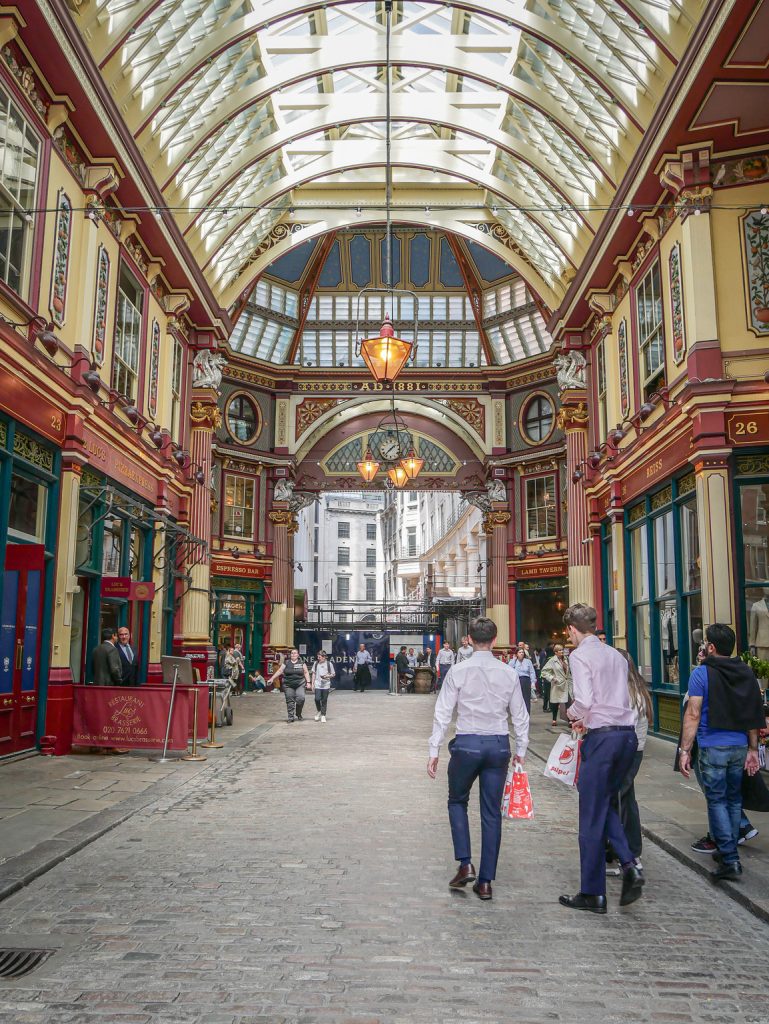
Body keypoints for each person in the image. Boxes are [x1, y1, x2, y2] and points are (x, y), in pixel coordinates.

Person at [427, 616, 529, 901]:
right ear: (494, 640)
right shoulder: (508, 673)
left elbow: (442, 712)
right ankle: (485, 882)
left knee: (457, 801)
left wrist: (434, 750)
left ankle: (465, 862)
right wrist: (521, 751)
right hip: (498, 746)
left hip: (467, 743)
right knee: (491, 812)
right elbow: (520, 716)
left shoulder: (458, 671)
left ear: (469, 640)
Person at [559, 603, 644, 914]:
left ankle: (593, 892)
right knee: (604, 804)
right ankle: (629, 864)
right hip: (626, 736)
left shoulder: (579, 655)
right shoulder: (615, 655)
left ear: (572, 629)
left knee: (590, 816)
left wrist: (572, 714)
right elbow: (616, 698)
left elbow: (584, 699)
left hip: (603, 741)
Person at [678, 623, 763, 882]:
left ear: (712, 647)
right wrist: (752, 748)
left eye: (706, 642)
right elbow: (752, 713)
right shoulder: (746, 671)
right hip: (739, 745)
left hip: (713, 745)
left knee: (716, 800)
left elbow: (693, 714)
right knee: (733, 799)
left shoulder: (701, 673)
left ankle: (729, 857)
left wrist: (685, 749)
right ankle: (728, 849)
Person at [607, 650, 652, 868]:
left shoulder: (627, 693)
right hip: (631, 751)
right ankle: (626, 850)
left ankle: (627, 853)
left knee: (615, 799)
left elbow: (621, 727)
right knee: (626, 798)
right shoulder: (635, 689)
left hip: (625, 752)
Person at [268, 649, 310, 723]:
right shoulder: (286, 662)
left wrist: (308, 682)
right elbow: (280, 671)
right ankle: (291, 717)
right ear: (290, 655)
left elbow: (306, 672)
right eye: (292, 653)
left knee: (301, 699)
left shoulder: (301, 662)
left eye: (295, 653)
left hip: (300, 684)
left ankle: (298, 713)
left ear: (298, 655)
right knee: (290, 700)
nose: (293, 654)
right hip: (288, 685)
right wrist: (272, 678)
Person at [540, 644, 572, 727]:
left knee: (568, 702)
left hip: (567, 684)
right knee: (556, 703)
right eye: (560, 650)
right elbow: (544, 672)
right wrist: (552, 678)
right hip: (558, 684)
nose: (562, 651)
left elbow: (570, 671)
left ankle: (570, 720)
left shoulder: (567, 659)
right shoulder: (552, 661)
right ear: (556, 652)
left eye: (562, 650)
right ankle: (554, 719)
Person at [311, 651, 335, 721]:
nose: (318, 658)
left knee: (324, 700)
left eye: (320, 657)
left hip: (326, 684)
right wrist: (312, 684)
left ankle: (323, 715)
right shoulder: (316, 663)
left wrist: (327, 676)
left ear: (324, 657)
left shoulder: (329, 664)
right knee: (317, 699)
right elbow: (313, 673)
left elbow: (333, 674)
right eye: (318, 657)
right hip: (317, 684)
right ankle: (319, 711)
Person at [514, 647, 536, 713]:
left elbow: (532, 672)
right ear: (516, 654)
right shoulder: (513, 662)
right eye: (519, 652)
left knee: (526, 699)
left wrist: (533, 682)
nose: (521, 653)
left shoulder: (528, 661)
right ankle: (518, 715)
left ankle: (527, 714)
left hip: (526, 680)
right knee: (517, 699)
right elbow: (509, 671)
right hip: (517, 681)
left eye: (522, 652)